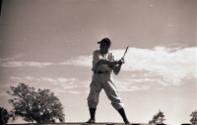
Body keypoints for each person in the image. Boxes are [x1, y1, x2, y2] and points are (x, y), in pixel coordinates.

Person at [86, 37, 130, 124]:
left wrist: (120, 64)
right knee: (92, 97)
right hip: (97, 76)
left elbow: (116, 72)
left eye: (103, 44)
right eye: (100, 44)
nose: (101, 46)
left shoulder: (111, 55)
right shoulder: (96, 53)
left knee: (114, 96)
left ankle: (125, 120)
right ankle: (92, 119)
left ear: (107, 46)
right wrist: (113, 63)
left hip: (107, 77)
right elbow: (100, 61)